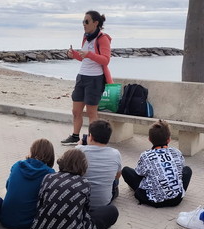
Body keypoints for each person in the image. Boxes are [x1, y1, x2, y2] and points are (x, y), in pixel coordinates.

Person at [29, 149, 119, 229]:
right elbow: (85, 211)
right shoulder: (84, 183)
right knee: (112, 211)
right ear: (83, 165)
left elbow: (40, 204)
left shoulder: (48, 177)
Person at [61, 10, 113, 145]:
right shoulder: (86, 37)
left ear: (95, 23)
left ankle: (92, 139)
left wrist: (89, 54)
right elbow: (84, 58)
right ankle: (74, 136)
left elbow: (105, 60)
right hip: (82, 77)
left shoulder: (103, 39)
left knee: (91, 113)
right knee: (76, 111)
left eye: (86, 21)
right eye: (83, 21)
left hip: (95, 79)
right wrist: (73, 55)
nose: (83, 24)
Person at [122, 120, 192, 207]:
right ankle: (175, 190)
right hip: (176, 199)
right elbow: (180, 170)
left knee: (126, 170)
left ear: (149, 139)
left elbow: (139, 173)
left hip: (151, 200)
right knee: (187, 170)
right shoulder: (176, 152)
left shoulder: (146, 155)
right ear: (169, 139)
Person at [0, 138, 55, 229]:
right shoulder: (49, 174)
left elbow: (8, 186)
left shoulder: (17, 165)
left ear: (32, 151)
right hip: (28, 223)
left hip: (5, 218)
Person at [76, 120, 122, 208]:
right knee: (115, 176)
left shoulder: (79, 150)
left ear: (91, 137)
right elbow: (117, 176)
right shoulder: (115, 153)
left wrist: (80, 143)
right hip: (103, 204)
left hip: (80, 201)